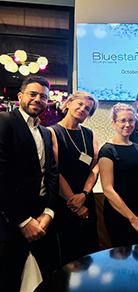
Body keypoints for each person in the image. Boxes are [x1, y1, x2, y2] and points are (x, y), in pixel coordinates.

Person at [0, 76, 60, 291]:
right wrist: (24, 221)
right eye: (32, 94)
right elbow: (2, 176)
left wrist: (49, 212)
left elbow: (52, 173)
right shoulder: (4, 121)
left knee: (50, 278)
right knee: (10, 281)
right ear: (20, 96)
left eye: (43, 96)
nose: (38, 99)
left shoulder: (44, 131)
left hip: (44, 220)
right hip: (12, 223)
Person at [48, 91, 100, 265]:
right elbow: (55, 170)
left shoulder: (90, 134)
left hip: (86, 199)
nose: (83, 109)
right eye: (80, 104)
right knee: (68, 257)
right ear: (68, 103)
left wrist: (84, 194)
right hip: (65, 204)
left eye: (87, 109)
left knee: (89, 254)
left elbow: (95, 167)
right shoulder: (52, 132)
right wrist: (75, 204)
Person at [98, 103, 138, 247]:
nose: (127, 124)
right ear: (114, 123)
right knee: (123, 261)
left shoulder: (137, 148)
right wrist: (132, 219)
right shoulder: (107, 150)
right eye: (123, 120)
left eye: (131, 120)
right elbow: (108, 189)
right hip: (120, 214)